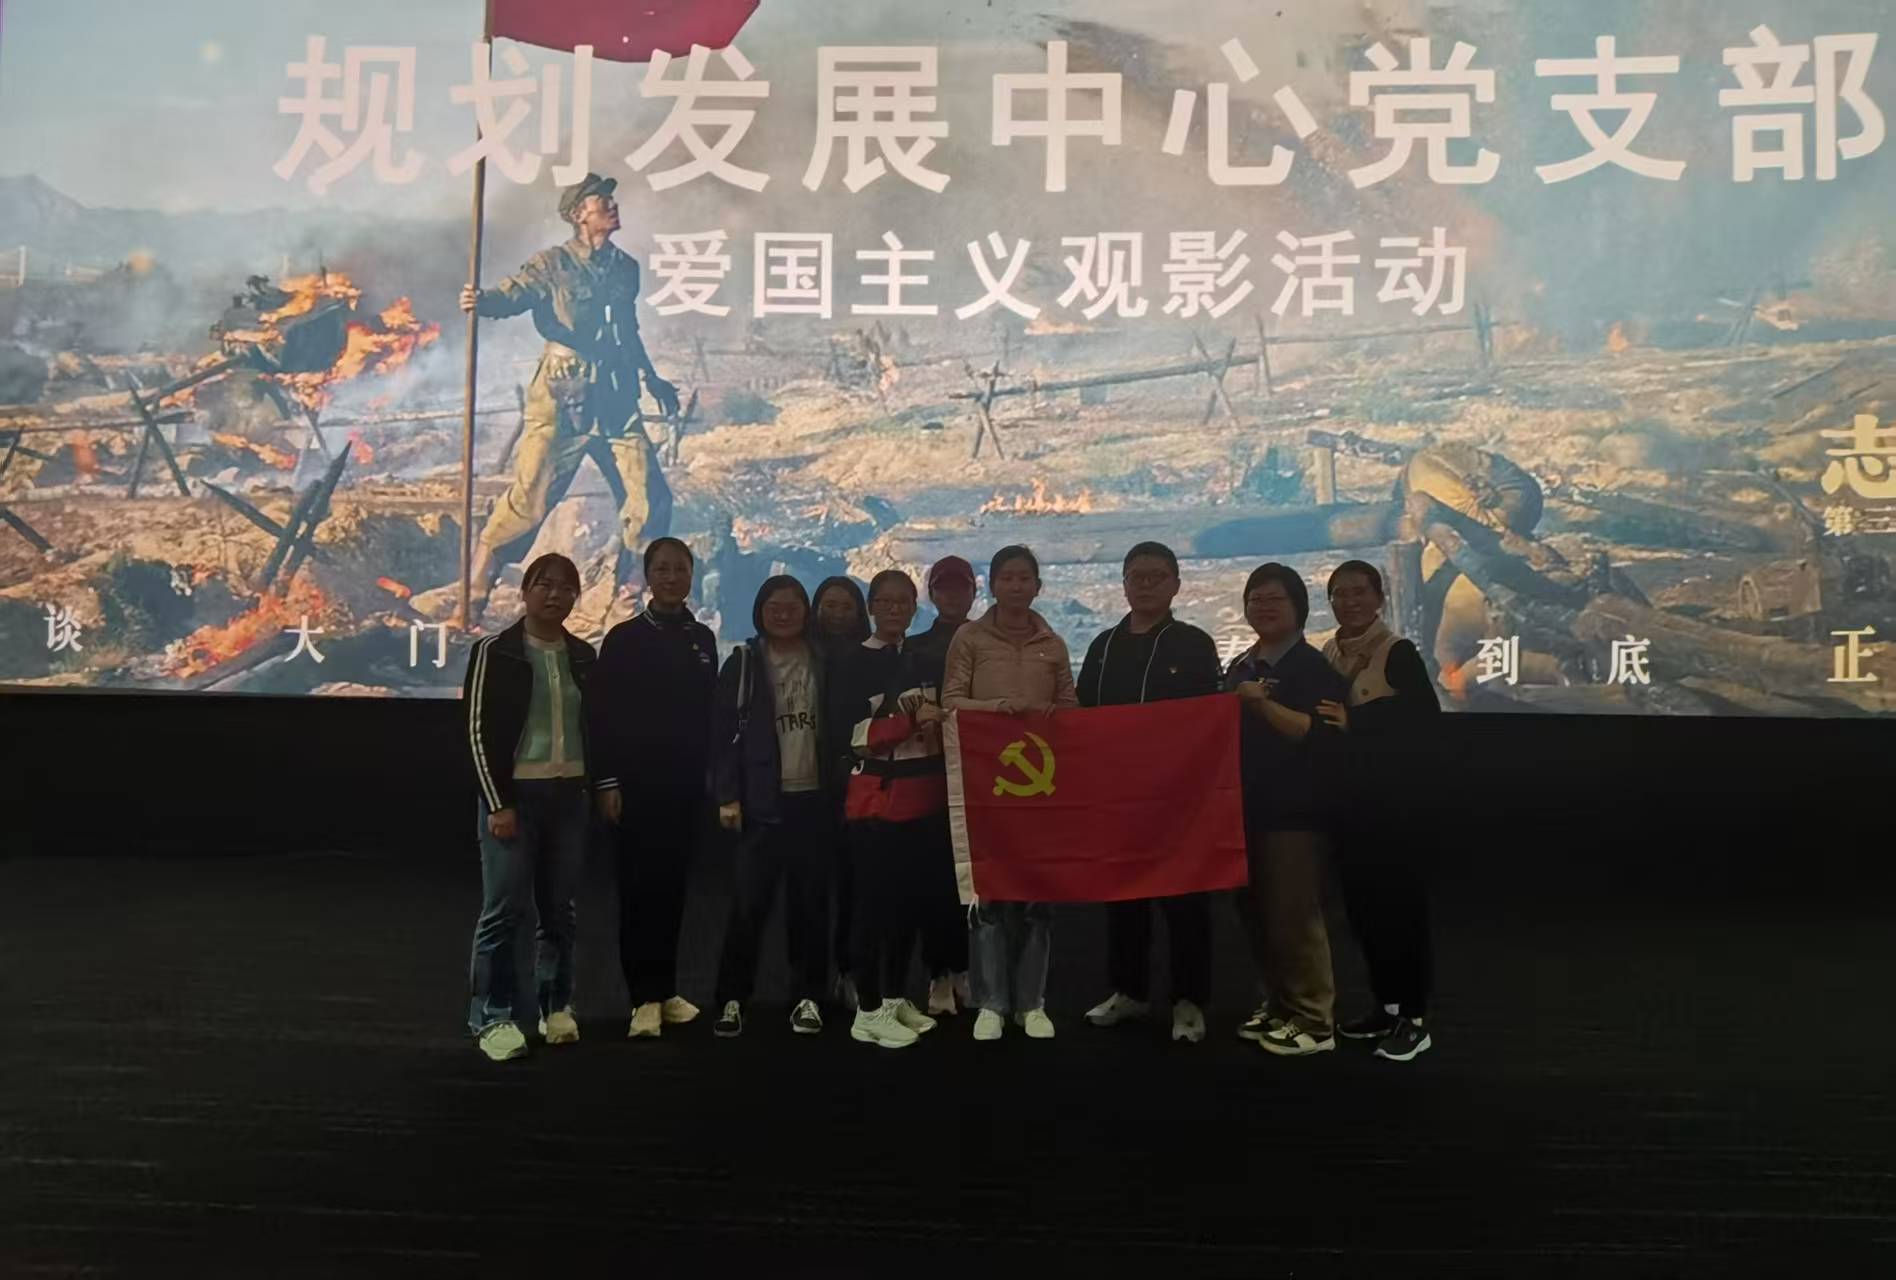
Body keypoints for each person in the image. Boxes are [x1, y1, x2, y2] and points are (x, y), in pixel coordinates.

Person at [430, 173, 681, 622]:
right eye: (603, 201)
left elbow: (628, 331)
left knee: (651, 496)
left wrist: (652, 378)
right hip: (563, 392)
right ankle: (474, 598)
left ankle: (628, 597)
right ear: (579, 214)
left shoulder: (625, 268)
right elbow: (513, 296)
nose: (613, 206)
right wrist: (482, 301)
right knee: (531, 498)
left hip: (616, 398)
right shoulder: (551, 265)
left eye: (612, 200)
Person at [1076, 542, 1224, 1044]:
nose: (1145, 585)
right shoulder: (1102, 646)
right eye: (1136, 576)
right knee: (1123, 901)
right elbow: (1081, 716)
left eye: (1157, 576)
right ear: (1123, 584)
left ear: (1176, 585)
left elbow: (1211, 720)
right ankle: (1129, 991)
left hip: (1178, 800)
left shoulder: (1194, 643)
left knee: (1185, 902)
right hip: (1117, 799)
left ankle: (1189, 1001)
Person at [462, 553, 596, 1061]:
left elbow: (595, 727)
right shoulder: (495, 651)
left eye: (566, 587)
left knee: (559, 911)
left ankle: (555, 1005)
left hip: (569, 798)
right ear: (525, 591)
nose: (555, 595)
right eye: (545, 584)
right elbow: (477, 732)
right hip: (514, 799)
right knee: (504, 911)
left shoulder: (583, 655)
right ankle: (492, 1017)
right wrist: (498, 802)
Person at [942, 545, 1078, 1042]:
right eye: (1007, 577)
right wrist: (996, 708)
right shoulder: (970, 638)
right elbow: (951, 700)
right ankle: (991, 1003)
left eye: (1025, 578)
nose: (1016, 586)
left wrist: (1055, 714)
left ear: (1038, 586)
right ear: (993, 584)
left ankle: (1031, 1002)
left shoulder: (1053, 643)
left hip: (1040, 789)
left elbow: (1071, 707)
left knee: (1038, 897)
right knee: (990, 895)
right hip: (987, 785)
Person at [588, 536, 718, 1039]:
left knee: (674, 889)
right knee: (638, 890)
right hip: (634, 787)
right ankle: (642, 998)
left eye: (679, 568)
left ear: (691, 575)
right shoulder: (623, 639)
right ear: (647, 576)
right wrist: (608, 781)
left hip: (685, 788)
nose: (671, 577)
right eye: (661, 568)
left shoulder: (702, 639)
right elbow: (603, 717)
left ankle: (666, 990)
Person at [1317, 559, 1441, 1063]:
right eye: (1340, 594)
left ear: (1379, 597)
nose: (1349, 602)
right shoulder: (1327, 652)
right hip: (1347, 807)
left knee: (1401, 912)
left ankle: (1414, 1018)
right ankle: (1385, 1006)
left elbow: (1424, 721)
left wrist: (1358, 721)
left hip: (1392, 809)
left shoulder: (1398, 652)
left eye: (1359, 592)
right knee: (1363, 911)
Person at [1224, 562, 1350, 1058]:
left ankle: (1315, 1020)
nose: (1263, 607)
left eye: (1274, 598)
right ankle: (1279, 1004)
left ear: (1299, 607)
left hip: (1295, 814)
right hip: (1244, 812)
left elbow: (1317, 736)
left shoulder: (1313, 669)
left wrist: (1260, 706)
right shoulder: (1240, 667)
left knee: (1294, 915)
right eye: (1255, 599)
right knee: (1257, 915)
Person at [709, 577, 835, 1039]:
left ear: (806, 611)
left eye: (792, 606)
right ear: (760, 611)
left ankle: (807, 997)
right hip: (762, 802)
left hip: (814, 800)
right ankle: (732, 999)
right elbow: (721, 736)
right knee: (748, 908)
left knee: (810, 907)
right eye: (774, 607)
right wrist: (726, 795)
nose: (783, 615)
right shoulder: (743, 662)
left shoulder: (824, 658)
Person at [834, 569, 948, 1049]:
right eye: (886, 601)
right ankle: (868, 1009)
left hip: (923, 801)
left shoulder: (923, 658)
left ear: (915, 608)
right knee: (872, 909)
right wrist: (908, 722)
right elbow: (850, 736)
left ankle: (895, 996)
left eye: (904, 601)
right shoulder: (850, 663)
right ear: (872, 607)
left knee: (907, 908)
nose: (895, 609)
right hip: (876, 802)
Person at [901, 556, 979, 1016]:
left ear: (973, 592)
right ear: (932, 594)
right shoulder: (914, 649)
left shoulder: (990, 642)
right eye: (945, 588)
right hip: (930, 777)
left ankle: (966, 969)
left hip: (984, 779)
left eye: (960, 587)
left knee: (977, 882)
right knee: (935, 881)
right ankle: (939, 974)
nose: (953, 595)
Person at [810, 576, 871, 1006]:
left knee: (854, 887)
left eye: (846, 606)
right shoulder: (799, 655)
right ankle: (809, 981)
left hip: (856, 785)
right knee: (810, 889)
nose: (837, 614)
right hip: (803, 786)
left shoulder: (871, 658)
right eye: (829, 605)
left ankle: (849, 971)